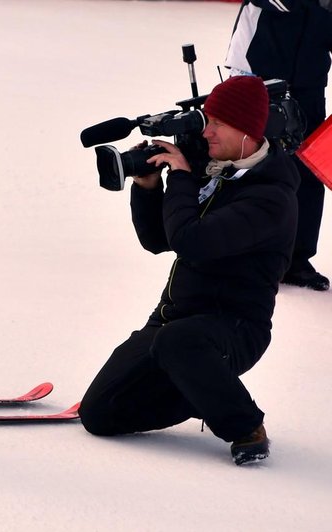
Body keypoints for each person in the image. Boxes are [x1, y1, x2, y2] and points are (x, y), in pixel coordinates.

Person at [79, 76, 300, 465]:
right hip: (172, 318)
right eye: (206, 120)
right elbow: (158, 239)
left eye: (217, 124)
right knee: (98, 413)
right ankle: (201, 389)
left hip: (233, 328)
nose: (207, 132)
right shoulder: (212, 166)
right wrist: (148, 187)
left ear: (248, 130)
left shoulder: (271, 197)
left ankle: (244, 425)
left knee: (180, 342)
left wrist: (180, 177)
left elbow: (191, 241)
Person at [225, 0, 332, 290]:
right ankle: (250, 255)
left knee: (307, 170)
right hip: (258, 71)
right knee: (258, 166)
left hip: (309, 78)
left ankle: (296, 259)